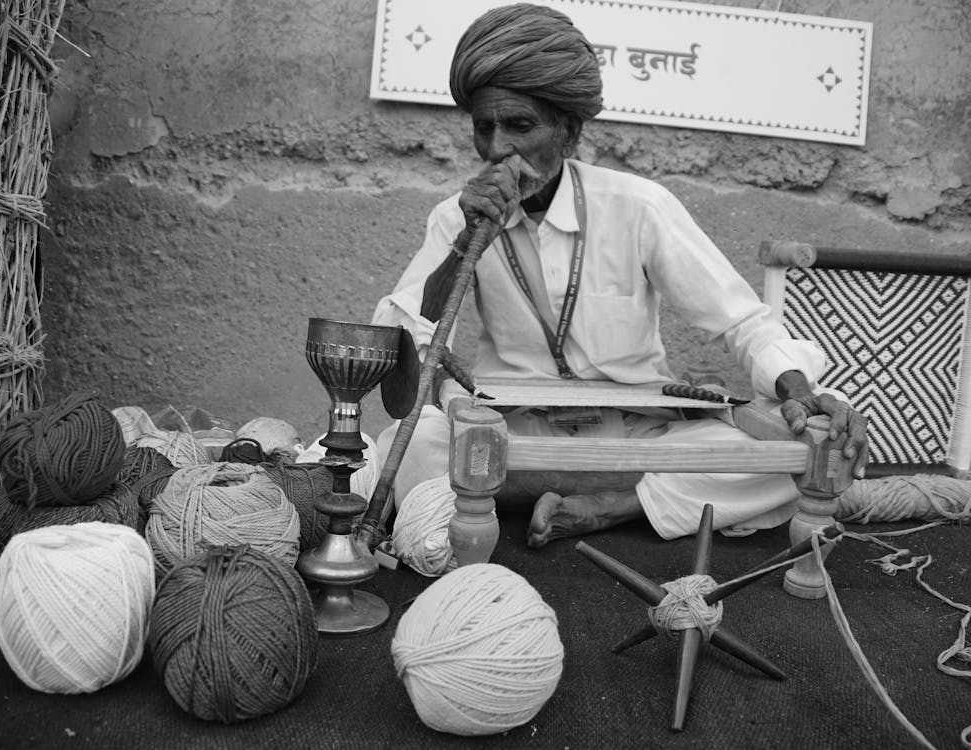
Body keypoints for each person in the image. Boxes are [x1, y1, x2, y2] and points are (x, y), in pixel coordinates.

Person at [372, 3, 868, 548]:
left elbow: (741, 322)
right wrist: (467, 241)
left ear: (569, 130)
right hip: (509, 435)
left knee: (808, 446)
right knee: (411, 439)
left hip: (636, 439)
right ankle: (606, 498)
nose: (496, 149)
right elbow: (402, 338)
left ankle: (616, 506)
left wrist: (800, 388)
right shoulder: (458, 216)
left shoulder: (639, 206)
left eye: (519, 125)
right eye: (483, 127)